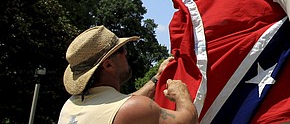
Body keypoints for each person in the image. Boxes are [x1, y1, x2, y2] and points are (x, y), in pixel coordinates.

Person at [58, 25, 198, 124]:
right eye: (121, 50)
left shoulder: (71, 105)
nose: (126, 53)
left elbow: (124, 103)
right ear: (108, 65)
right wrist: (182, 95)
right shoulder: (133, 109)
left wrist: (157, 77)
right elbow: (188, 120)